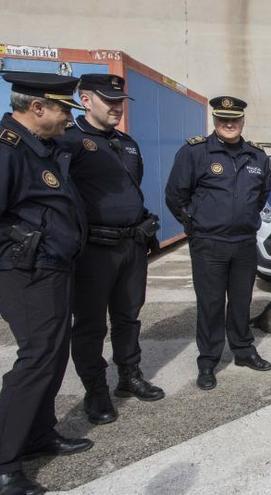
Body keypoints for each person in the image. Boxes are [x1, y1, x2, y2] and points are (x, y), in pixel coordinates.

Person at [0, 72, 93, 495]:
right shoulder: (8, 149)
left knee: (53, 356)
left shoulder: (43, 148)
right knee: (37, 357)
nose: (67, 118)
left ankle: (39, 434)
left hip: (52, 268)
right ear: (37, 108)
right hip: (25, 271)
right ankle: (4, 462)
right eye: (62, 109)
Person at [58, 74, 164, 426]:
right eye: (109, 101)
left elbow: (132, 190)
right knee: (90, 325)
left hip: (131, 245)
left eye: (120, 101)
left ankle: (129, 376)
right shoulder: (70, 142)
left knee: (128, 317)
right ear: (85, 100)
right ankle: (96, 390)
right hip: (94, 250)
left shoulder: (128, 144)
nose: (117, 107)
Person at [166, 96, 271, 390]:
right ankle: (209, 360)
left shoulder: (257, 157)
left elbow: (261, 195)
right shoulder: (195, 152)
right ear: (214, 120)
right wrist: (195, 226)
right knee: (211, 304)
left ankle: (242, 350)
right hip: (209, 243)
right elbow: (175, 195)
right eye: (222, 118)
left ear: (242, 121)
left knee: (241, 302)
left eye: (234, 119)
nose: (229, 124)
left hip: (243, 243)